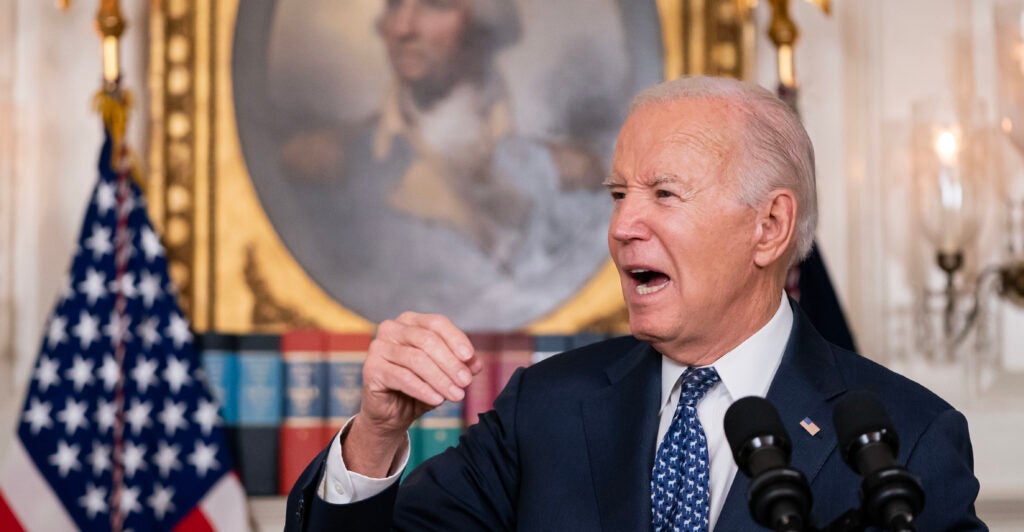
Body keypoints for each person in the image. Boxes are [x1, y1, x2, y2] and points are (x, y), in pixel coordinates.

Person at [284, 76, 985, 531]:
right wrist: (375, 435)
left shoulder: (906, 441)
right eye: (618, 195)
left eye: (663, 194)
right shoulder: (547, 410)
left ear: (768, 227)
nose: (622, 227)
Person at [277, 0, 615, 328]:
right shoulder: (325, 164)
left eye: (434, 4)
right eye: (394, 4)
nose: (402, 28)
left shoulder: (566, 173)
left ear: (484, 25)